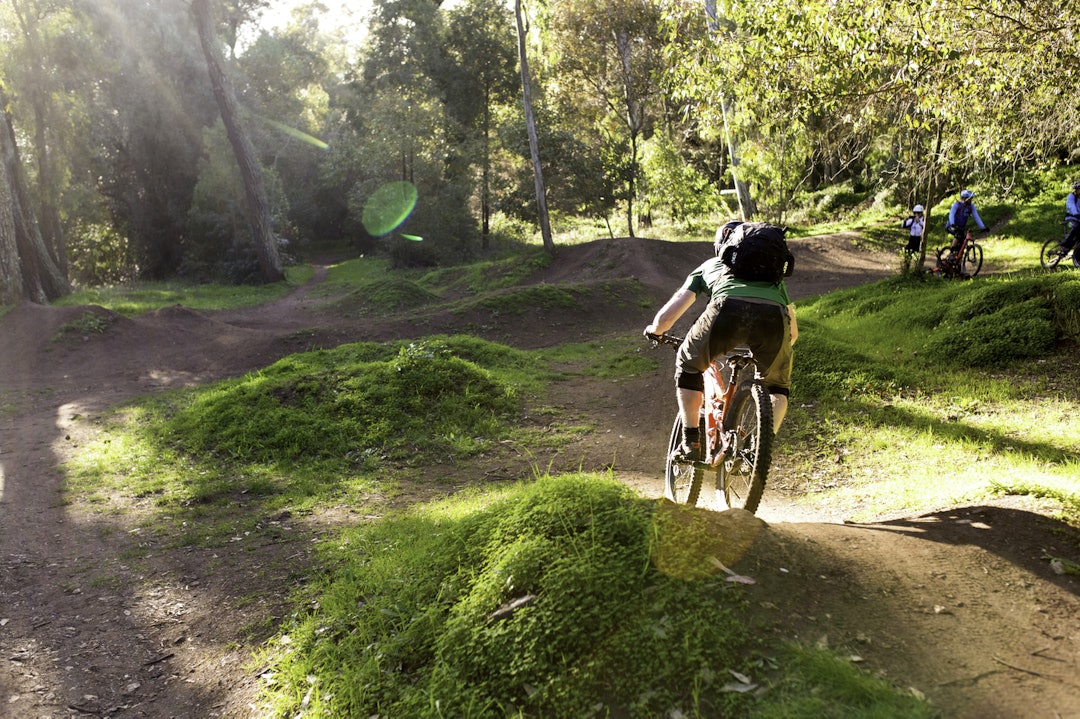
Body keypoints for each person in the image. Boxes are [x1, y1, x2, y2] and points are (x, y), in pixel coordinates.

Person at [644, 220, 798, 460]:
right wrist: (772, 353)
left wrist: (655, 330)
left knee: (688, 364)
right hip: (773, 319)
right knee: (777, 386)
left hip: (727, 311)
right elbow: (793, 333)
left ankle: (691, 442)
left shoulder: (710, 266)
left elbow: (668, 316)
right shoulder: (774, 279)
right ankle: (759, 450)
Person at [945, 189, 986, 253]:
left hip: (961, 228)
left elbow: (976, 217)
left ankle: (958, 259)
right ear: (965, 199)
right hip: (951, 226)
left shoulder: (971, 207)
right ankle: (951, 252)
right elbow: (951, 214)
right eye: (970, 199)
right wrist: (952, 223)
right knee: (958, 234)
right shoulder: (957, 205)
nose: (971, 200)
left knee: (962, 244)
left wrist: (983, 227)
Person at [1060, 182, 1080, 252]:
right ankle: (1064, 243)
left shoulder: (1079, 199)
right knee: (1076, 227)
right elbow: (1071, 206)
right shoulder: (1071, 196)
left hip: (1077, 219)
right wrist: (1076, 213)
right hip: (1070, 219)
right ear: (1076, 189)